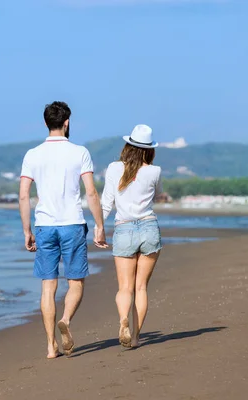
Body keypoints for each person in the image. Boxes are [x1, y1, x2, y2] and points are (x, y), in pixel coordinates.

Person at [19, 101, 108, 359]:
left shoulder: (32, 155)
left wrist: (27, 230)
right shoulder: (79, 152)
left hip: (45, 226)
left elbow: (24, 196)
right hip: (72, 224)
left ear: (46, 123)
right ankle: (66, 320)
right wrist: (100, 226)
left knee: (48, 286)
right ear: (67, 122)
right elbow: (90, 191)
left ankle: (50, 346)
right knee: (76, 282)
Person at [100, 124, 163, 349]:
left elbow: (106, 202)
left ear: (128, 145)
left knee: (125, 288)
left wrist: (99, 228)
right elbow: (157, 195)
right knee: (141, 288)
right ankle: (135, 337)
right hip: (148, 228)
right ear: (149, 150)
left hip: (124, 229)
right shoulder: (154, 171)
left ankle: (123, 320)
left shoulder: (114, 168)